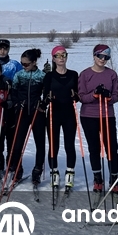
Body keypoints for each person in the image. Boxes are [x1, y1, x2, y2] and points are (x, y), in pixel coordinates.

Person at [77, 44, 118, 192]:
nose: (103, 59)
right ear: (94, 55)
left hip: (107, 115)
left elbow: (116, 96)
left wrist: (108, 97)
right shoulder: (85, 74)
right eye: (100, 56)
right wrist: (94, 94)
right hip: (89, 115)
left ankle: (114, 179)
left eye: (106, 57)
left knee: (111, 148)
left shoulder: (112, 74)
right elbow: (81, 97)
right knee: (94, 148)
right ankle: (97, 179)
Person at [5, 49, 47, 186]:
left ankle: (37, 171)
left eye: (26, 64)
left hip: (37, 112)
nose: (24, 66)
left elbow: (47, 94)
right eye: (22, 63)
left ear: (34, 62)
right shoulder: (19, 75)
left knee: (40, 144)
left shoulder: (42, 76)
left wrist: (43, 103)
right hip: (22, 112)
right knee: (17, 144)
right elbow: (14, 92)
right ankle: (17, 170)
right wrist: (17, 103)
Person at [43, 45, 80, 193]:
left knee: (69, 145)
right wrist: (48, 98)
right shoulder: (49, 76)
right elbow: (44, 98)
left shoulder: (73, 74)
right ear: (53, 58)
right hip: (54, 114)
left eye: (63, 55)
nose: (61, 58)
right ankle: (54, 173)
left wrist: (75, 96)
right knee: (54, 145)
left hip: (69, 114)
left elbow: (78, 95)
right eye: (58, 55)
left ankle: (70, 173)